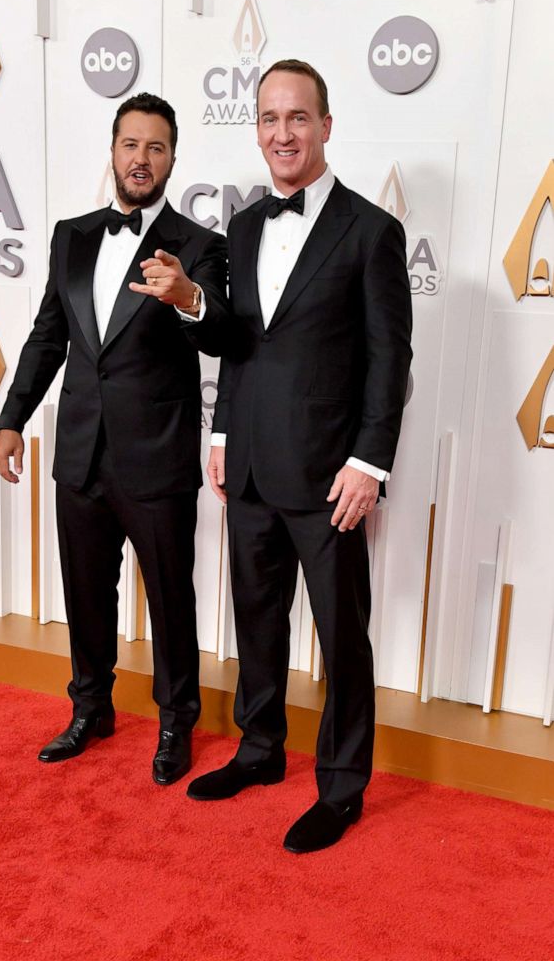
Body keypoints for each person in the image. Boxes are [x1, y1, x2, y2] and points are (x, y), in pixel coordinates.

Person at [186, 61, 412, 852]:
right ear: (257, 128)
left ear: (324, 124)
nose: (282, 133)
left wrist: (369, 463)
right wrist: (220, 435)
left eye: (297, 118)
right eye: (269, 118)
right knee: (256, 619)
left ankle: (343, 787)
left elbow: (390, 360)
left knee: (342, 633)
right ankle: (259, 749)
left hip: (329, 477)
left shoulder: (370, 230)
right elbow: (240, 346)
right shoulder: (243, 226)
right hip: (247, 463)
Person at [0, 92, 227, 785]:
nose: (141, 159)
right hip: (80, 455)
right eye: (131, 144)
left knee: (169, 599)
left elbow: (220, 333)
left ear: (172, 159)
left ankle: (175, 721)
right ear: (113, 150)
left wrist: (187, 297)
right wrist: (12, 418)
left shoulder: (202, 247)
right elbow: (49, 335)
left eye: (155, 147)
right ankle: (91, 708)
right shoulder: (72, 234)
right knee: (86, 593)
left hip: (155, 457)